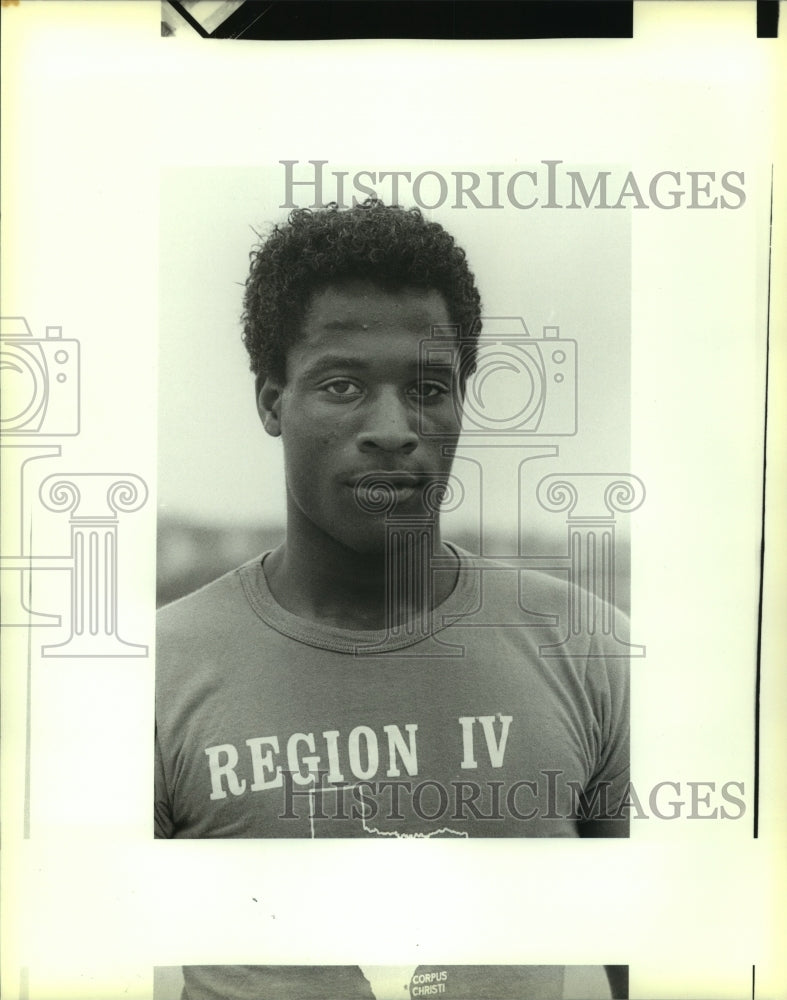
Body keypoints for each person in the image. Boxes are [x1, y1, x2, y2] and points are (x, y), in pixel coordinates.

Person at [155, 198, 629, 843]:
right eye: (342, 386)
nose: (391, 431)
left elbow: (654, 936)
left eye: (428, 389)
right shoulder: (155, 678)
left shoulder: (590, 652)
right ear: (273, 401)